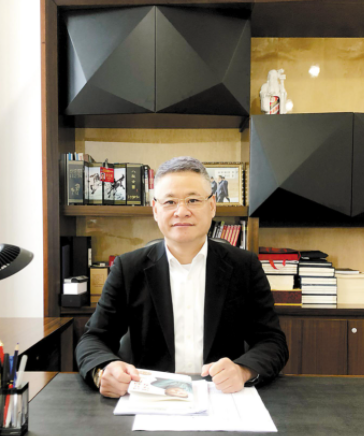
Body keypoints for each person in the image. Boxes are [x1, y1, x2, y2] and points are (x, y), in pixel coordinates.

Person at [76, 156, 288, 398]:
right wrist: (104, 370)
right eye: (170, 202)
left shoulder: (244, 266)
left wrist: (243, 370)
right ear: (156, 210)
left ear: (212, 206)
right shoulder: (128, 268)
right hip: (151, 398)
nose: (182, 211)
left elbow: (272, 341)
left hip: (221, 398)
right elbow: (93, 339)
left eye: (193, 200)